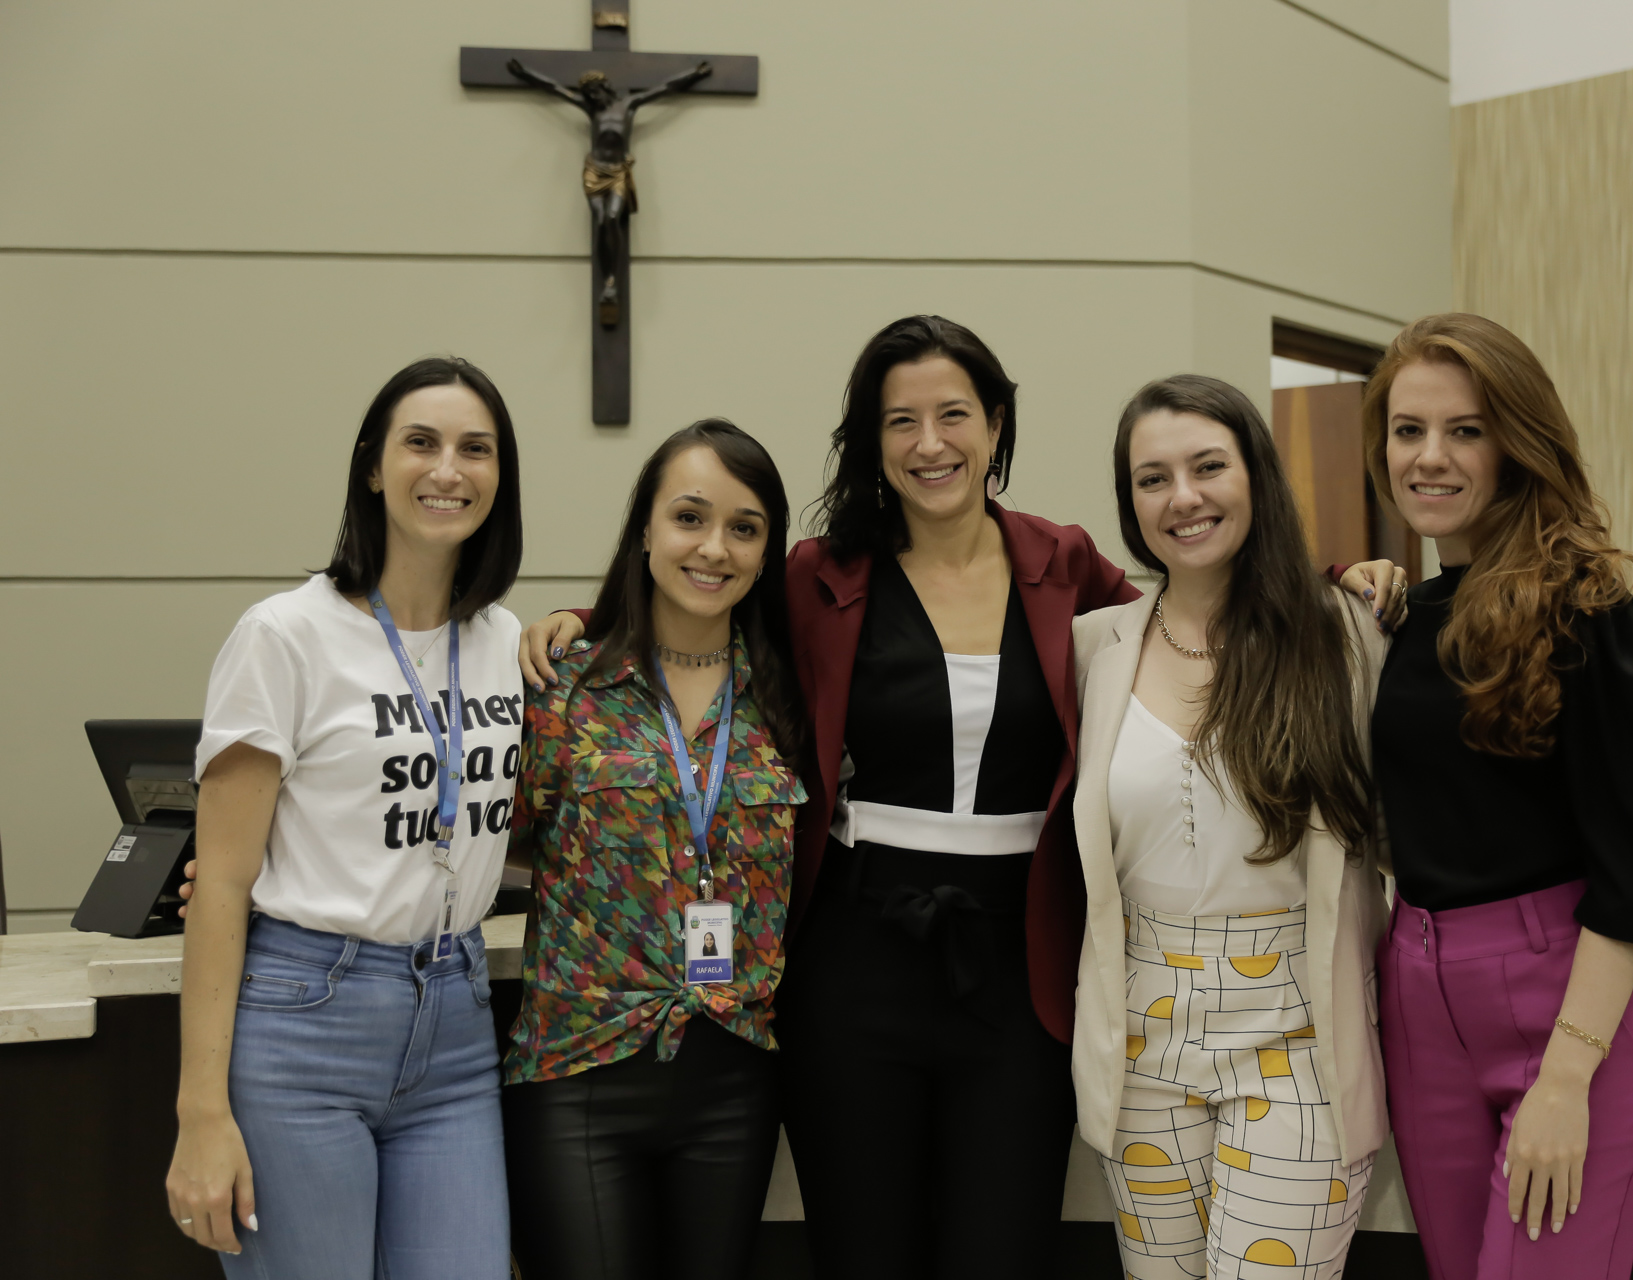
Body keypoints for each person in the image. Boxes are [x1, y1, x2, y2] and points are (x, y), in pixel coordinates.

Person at [524, 315, 1137, 1276]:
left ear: (996, 423)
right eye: (900, 421)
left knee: (1004, 1249)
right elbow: (704, 599)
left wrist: (1345, 583)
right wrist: (582, 621)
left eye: (953, 415)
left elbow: (1192, 623)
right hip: (857, 960)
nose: (929, 444)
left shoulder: (1063, 563)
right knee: (861, 1253)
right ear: (871, 441)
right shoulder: (825, 573)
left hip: (1022, 964)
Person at [165, 357, 524, 1277]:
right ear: (372, 466)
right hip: (305, 1022)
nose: (448, 470)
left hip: (455, 1020)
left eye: (475, 449)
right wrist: (201, 1113)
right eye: (421, 443)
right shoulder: (284, 636)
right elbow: (222, 884)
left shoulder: (504, 641)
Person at [1365, 314, 1633, 1280]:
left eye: (1464, 430)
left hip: (1564, 1010)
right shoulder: (1401, 617)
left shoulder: (1587, 610)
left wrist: (1568, 1077)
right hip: (1417, 997)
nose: (1429, 456)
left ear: (1517, 444)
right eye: (1408, 430)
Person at [1071, 375, 1393, 1277]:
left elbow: (1403, 830)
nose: (1183, 497)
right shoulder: (1094, 648)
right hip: (1141, 1043)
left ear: (1256, 474)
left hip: (1299, 1037)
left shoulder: (1347, 635)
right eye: (1153, 478)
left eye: (1208, 467)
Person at [500, 420, 809, 1280]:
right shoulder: (561, 686)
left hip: (733, 1078)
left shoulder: (792, 697)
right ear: (645, 528)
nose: (714, 548)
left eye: (744, 528)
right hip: (577, 1070)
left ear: (766, 553)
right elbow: (477, 844)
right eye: (689, 518)